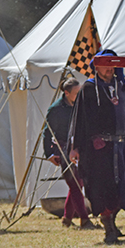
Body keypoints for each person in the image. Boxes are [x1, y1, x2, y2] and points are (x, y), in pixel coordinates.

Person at [69, 49, 125, 244]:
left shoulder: (123, 87)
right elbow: (79, 121)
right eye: (105, 64)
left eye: (111, 64)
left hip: (123, 148)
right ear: (96, 66)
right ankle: (108, 229)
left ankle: (112, 222)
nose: (109, 69)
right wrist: (76, 147)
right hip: (99, 151)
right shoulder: (88, 90)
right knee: (103, 188)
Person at [43, 77, 96, 229]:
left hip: (80, 148)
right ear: (66, 93)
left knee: (77, 184)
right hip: (64, 149)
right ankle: (85, 220)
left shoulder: (80, 105)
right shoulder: (56, 109)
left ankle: (67, 219)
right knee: (75, 184)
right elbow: (47, 133)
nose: (79, 96)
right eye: (76, 93)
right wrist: (49, 154)